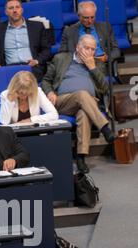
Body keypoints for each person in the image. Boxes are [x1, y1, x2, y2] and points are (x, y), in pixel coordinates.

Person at [42, 34, 115, 174]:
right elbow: (46, 80)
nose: (89, 52)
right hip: (63, 101)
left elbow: (105, 89)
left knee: (83, 113)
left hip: (89, 104)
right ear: (77, 47)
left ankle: (81, 157)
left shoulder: (98, 64)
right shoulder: (60, 59)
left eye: (93, 49)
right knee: (82, 94)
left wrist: (92, 68)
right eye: (86, 48)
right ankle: (105, 128)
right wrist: (50, 92)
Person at [0, 0, 51, 82]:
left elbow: (46, 49)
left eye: (17, 7)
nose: (15, 10)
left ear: (22, 10)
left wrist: (37, 61)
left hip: (31, 67)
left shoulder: (37, 26)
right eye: (11, 8)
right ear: (6, 12)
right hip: (8, 68)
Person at [59, 1, 120, 75]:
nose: (90, 21)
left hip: (100, 64)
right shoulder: (69, 31)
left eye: (92, 17)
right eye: (86, 18)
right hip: (79, 66)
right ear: (79, 16)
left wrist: (106, 58)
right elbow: (62, 54)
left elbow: (116, 51)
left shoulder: (105, 27)